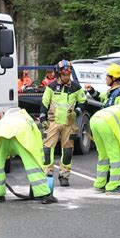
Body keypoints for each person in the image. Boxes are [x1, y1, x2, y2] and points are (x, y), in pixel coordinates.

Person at [0, 108, 57, 204]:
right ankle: (44, 194)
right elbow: (36, 140)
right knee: (31, 165)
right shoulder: (27, 118)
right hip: (20, 134)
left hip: (0, 134)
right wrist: (40, 159)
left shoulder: (2, 121)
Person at [40, 59, 87, 187]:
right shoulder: (51, 87)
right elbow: (44, 104)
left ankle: (64, 176)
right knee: (47, 150)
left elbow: (83, 101)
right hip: (53, 122)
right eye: (64, 74)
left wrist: (76, 112)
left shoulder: (75, 87)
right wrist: (43, 120)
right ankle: (47, 173)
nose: (66, 77)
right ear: (59, 74)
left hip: (69, 123)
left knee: (67, 151)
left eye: (68, 74)